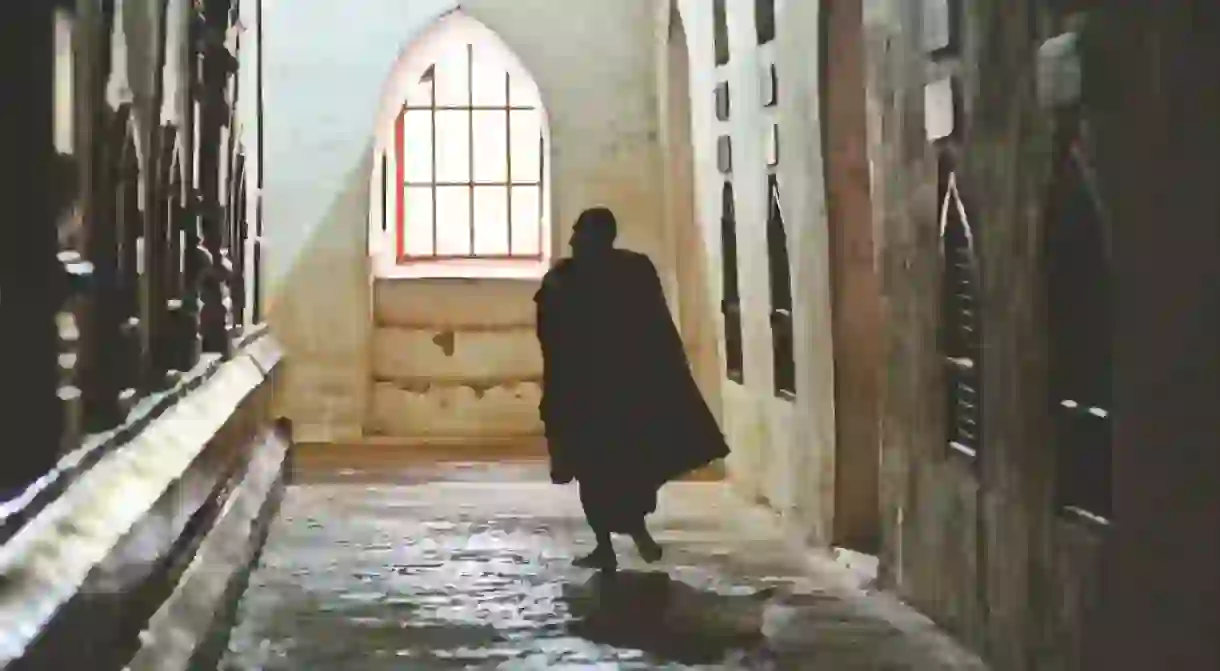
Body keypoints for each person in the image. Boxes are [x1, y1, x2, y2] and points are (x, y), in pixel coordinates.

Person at [534, 207, 730, 571]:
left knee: (603, 469)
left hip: (596, 392)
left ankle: (613, 543)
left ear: (598, 237)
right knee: (613, 468)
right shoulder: (627, 270)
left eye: (581, 233)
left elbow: (558, 336)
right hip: (615, 390)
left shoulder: (575, 277)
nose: (574, 240)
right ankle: (623, 539)